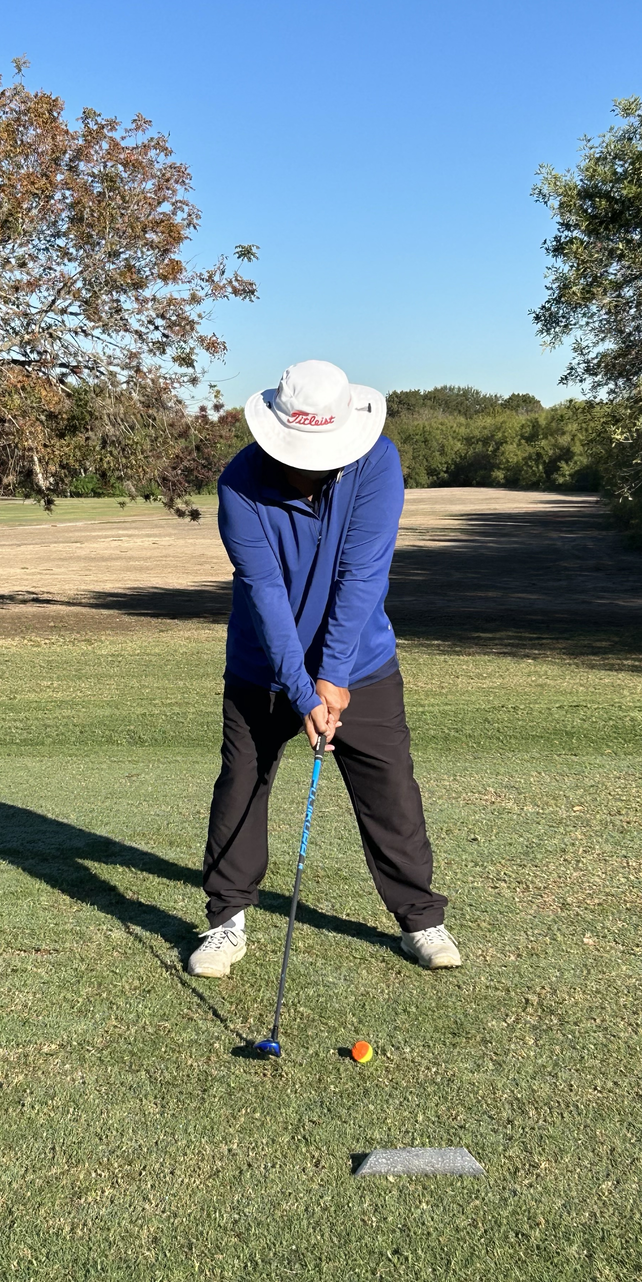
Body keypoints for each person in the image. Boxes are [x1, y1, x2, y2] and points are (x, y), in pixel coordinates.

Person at [188, 359, 461, 978]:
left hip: (362, 663)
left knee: (390, 789)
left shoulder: (377, 462)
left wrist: (333, 677)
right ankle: (227, 921)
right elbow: (264, 593)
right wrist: (302, 688)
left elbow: (361, 576)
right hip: (262, 666)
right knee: (242, 785)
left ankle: (420, 918)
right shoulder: (239, 484)